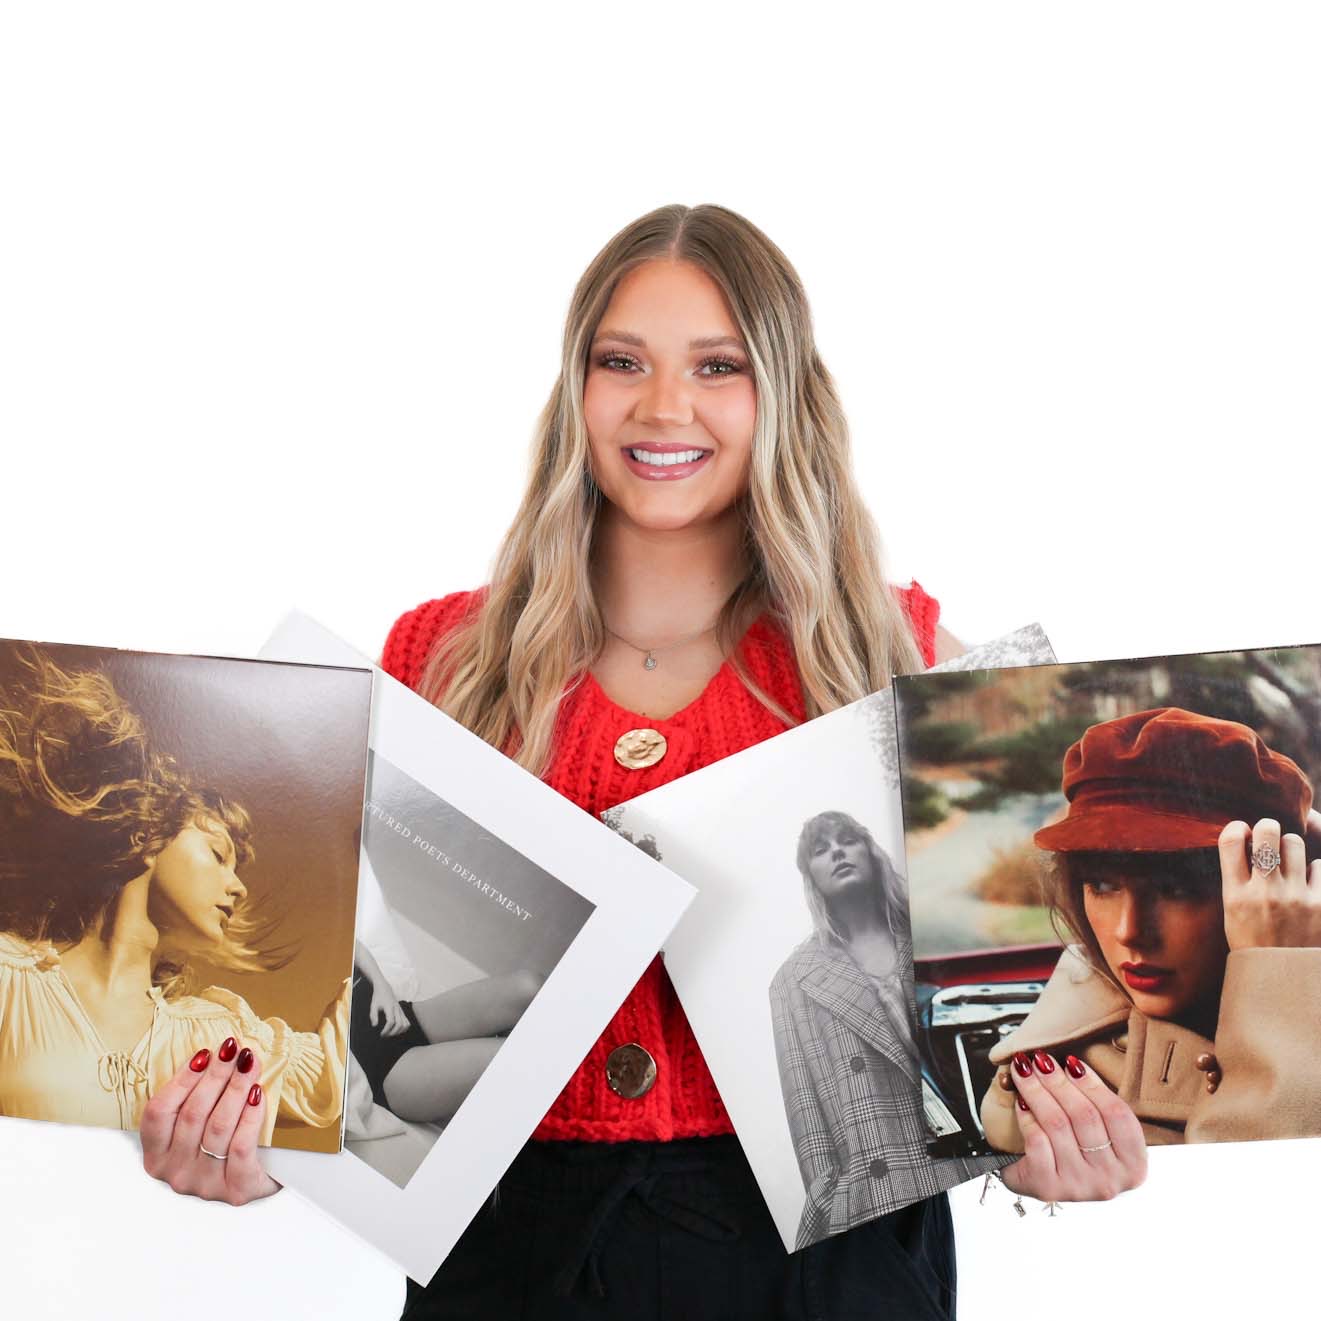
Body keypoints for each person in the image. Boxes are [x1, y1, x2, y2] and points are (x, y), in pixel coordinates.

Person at [141, 203, 1146, 1317]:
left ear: (783, 395)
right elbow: (301, 1016)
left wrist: (1048, 1142)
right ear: (575, 390)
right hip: (507, 1255)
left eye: (717, 365)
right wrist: (245, 1132)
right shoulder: (438, 660)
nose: (663, 405)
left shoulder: (898, 655)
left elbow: (1012, 1028)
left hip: (824, 1263)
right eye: (621, 361)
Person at [0, 647, 349, 1154]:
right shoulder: (12, 984)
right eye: (218, 854)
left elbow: (331, 1077)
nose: (239, 886)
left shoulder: (216, 1035)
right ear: (149, 835)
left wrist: (371, 966)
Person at [981, 705, 1321, 1153]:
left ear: (1274, 888)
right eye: (1101, 884)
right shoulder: (1067, 1081)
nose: (1130, 931)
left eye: (1175, 888)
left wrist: (1281, 970)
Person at [770, 811, 986, 1249]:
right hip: (876, 1194)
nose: (836, 852)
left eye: (847, 840)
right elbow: (805, 1111)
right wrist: (830, 1200)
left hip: (973, 1160)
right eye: (820, 848)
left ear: (870, 851)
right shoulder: (792, 979)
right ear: (809, 874)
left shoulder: (935, 929)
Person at [351, 939, 542, 1123]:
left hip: (404, 1016)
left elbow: (353, 945)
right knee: (516, 1055)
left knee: (531, 986)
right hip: (385, 1069)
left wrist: (381, 985)